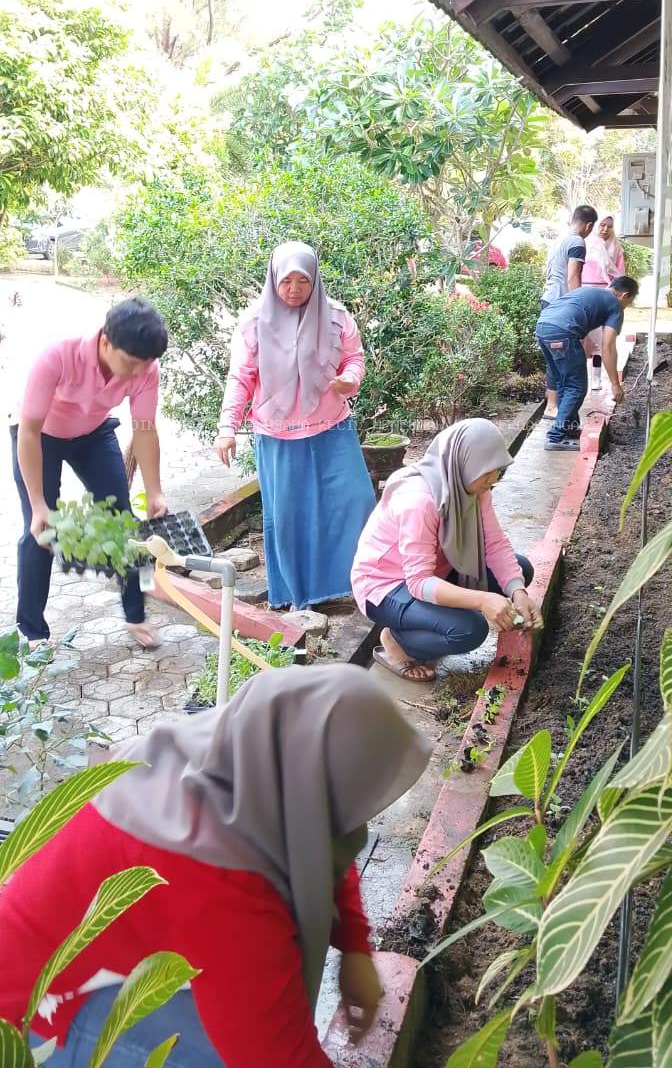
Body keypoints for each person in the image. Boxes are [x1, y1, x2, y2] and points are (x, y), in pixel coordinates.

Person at [0, 665, 430, 1067]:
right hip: (32, 1019)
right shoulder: (217, 878)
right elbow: (278, 1058)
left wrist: (355, 946)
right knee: (219, 1051)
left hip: (83, 967)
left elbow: (325, 837)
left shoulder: (237, 753)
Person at [215, 242, 376, 611]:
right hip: (278, 434)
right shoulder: (254, 323)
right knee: (287, 516)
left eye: (303, 280)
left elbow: (355, 357)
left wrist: (349, 379)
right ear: (273, 279)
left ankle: (348, 582)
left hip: (331, 426)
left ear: (315, 279)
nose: (293, 289)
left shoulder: (335, 316)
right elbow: (240, 377)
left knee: (356, 499)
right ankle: (294, 594)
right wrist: (228, 427)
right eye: (285, 280)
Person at [11, 298, 169, 649]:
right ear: (105, 342)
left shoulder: (146, 369)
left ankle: (136, 616)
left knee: (126, 525)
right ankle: (32, 633)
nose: (134, 375)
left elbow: (144, 428)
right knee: (40, 532)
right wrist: (38, 504)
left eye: (143, 367)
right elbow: (29, 430)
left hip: (93, 434)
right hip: (41, 437)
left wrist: (155, 490)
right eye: (128, 364)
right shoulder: (57, 357)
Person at [351, 419, 541, 684]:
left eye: (496, 470)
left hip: (438, 569)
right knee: (469, 630)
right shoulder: (419, 500)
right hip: (386, 587)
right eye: (486, 472)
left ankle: (427, 622)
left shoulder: (471, 486)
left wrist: (518, 593)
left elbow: (494, 543)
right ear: (462, 461)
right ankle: (397, 642)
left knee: (520, 570)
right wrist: (481, 600)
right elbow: (418, 582)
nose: (493, 479)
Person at [535, 277, 639, 452]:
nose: (627, 305)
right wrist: (615, 384)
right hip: (563, 332)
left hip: (543, 327)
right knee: (576, 387)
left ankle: (568, 428)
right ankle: (556, 436)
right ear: (624, 295)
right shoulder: (615, 305)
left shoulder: (592, 292)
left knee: (563, 383)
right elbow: (608, 347)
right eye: (629, 301)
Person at [540, 205, 598, 419]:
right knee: (571, 363)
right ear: (589, 225)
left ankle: (552, 407)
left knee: (553, 360)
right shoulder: (577, 242)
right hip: (562, 307)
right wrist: (578, 307)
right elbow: (573, 276)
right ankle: (558, 411)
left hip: (548, 302)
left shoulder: (558, 241)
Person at [581, 216, 626, 391]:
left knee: (602, 341)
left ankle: (597, 378)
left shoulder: (616, 248)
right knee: (584, 339)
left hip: (607, 296)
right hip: (585, 294)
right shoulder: (586, 245)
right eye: (602, 225)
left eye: (609, 226)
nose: (605, 229)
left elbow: (620, 275)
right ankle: (580, 378)